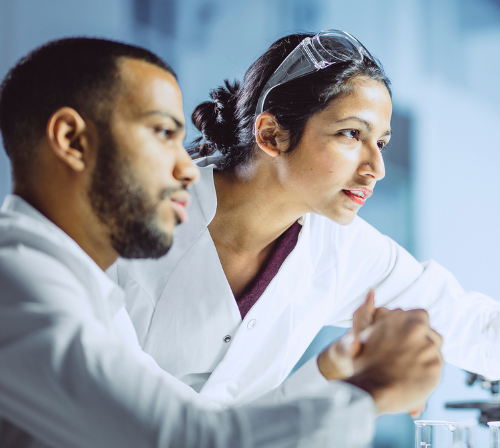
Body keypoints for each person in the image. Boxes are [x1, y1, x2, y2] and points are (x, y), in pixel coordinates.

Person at [0, 37, 443, 447]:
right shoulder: (16, 284)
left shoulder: (79, 288)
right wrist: (372, 391)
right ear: (71, 140)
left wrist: (340, 368)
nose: (189, 168)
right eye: (161, 133)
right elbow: (191, 439)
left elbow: (209, 421)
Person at [109, 30, 500, 407]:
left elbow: (472, 331)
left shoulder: (340, 247)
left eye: (382, 142)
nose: (374, 168)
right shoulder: (135, 218)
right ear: (271, 134)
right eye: (351, 134)